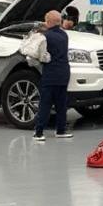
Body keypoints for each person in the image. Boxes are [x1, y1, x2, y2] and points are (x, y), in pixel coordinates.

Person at [33, 10, 72, 142]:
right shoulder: (65, 35)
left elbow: (42, 56)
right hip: (64, 74)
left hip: (50, 75)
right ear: (59, 21)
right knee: (61, 104)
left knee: (45, 104)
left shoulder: (45, 37)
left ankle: (39, 133)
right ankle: (60, 130)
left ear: (48, 22)